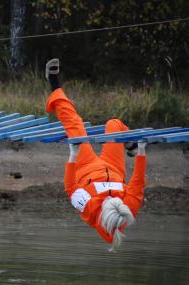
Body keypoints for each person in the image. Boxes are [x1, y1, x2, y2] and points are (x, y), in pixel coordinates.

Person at [44, 58, 147, 251]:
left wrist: (73, 155)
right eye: (115, 199)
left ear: (102, 212)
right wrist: (141, 150)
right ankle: (130, 145)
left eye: (108, 201)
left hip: (85, 168)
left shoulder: (90, 210)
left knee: (74, 124)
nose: (110, 197)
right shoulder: (129, 209)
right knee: (114, 124)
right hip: (114, 168)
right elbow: (138, 182)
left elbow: (70, 188)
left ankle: (54, 85)